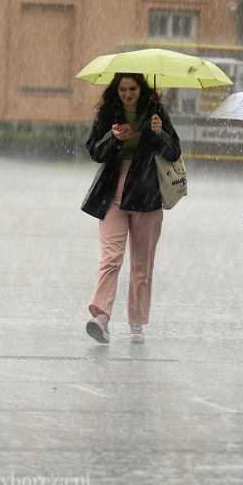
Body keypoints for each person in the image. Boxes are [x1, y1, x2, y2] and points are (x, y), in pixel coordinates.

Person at [81, 73, 182, 345]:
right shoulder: (108, 113)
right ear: (117, 90)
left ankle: (137, 322)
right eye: (123, 89)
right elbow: (94, 151)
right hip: (111, 195)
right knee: (111, 258)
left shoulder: (156, 113)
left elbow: (173, 152)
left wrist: (159, 133)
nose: (127, 94)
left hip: (146, 196)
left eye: (132, 89)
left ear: (141, 89)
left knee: (141, 264)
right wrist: (113, 137)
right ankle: (101, 317)